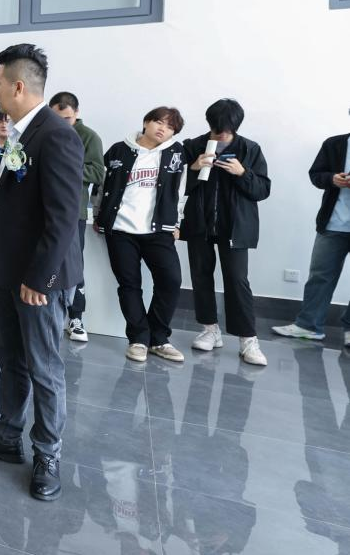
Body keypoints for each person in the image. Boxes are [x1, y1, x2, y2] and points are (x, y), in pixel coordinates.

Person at [0, 43, 83, 503]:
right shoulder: (20, 134)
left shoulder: (56, 135)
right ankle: (8, 436)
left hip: (38, 281)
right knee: (11, 360)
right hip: (9, 275)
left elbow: (63, 218)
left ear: (19, 86)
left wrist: (39, 280)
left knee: (44, 369)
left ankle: (48, 454)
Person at [94, 107, 189, 363]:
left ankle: (159, 339)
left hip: (158, 230)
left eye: (170, 127)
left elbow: (180, 192)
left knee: (170, 281)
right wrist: (99, 215)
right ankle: (138, 338)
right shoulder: (118, 150)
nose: (163, 129)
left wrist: (176, 222)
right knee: (129, 285)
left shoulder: (177, 153)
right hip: (121, 229)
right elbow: (102, 185)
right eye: (159, 122)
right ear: (146, 122)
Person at [182, 98, 271, 366]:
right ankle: (210, 329)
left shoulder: (250, 149)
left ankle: (248, 340)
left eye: (228, 130)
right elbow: (174, 185)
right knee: (200, 275)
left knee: (237, 279)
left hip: (235, 226)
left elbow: (263, 190)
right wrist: (193, 168)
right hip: (200, 223)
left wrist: (242, 173)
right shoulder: (192, 146)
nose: (222, 134)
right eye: (218, 128)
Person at [272, 118, 350, 348]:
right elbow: (316, 174)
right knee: (320, 276)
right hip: (332, 223)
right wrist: (332, 179)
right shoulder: (334, 144)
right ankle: (309, 325)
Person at [49, 92, 105, 343]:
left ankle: (76, 317)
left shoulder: (89, 136)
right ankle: (47, 312)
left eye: (67, 118)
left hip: (74, 211)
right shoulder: (45, 132)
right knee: (47, 260)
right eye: (56, 117)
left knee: (73, 264)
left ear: (77, 113)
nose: (61, 123)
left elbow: (97, 172)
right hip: (45, 208)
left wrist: (66, 168)